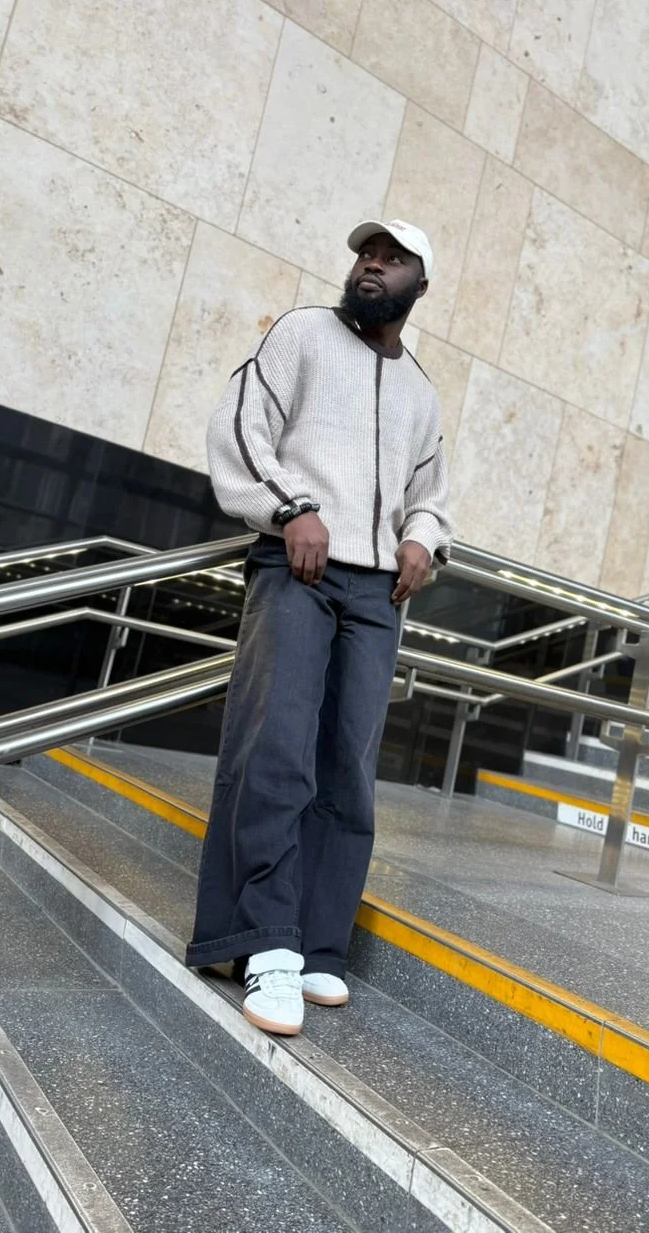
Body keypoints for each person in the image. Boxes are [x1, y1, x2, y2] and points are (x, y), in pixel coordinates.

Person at [185, 220, 452, 1035]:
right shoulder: (301, 334)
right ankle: (265, 942)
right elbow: (241, 428)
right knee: (276, 749)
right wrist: (291, 508)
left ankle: (319, 945)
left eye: (393, 259)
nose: (373, 265)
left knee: (348, 769)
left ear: (419, 286)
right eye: (367, 253)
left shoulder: (420, 392)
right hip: (298, 563)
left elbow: (431, 493)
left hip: (379, 591)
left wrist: (422, 539)